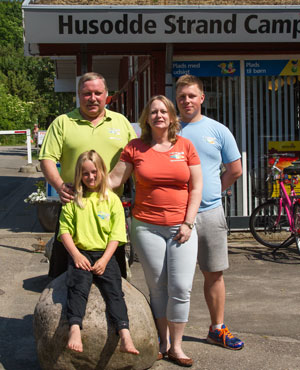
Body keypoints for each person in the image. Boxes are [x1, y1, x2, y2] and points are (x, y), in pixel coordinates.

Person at [109, 95, 202, 367]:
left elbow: (196, 187)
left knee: (181, 288)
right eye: (153, 112)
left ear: (172, 117)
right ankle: (163, 342)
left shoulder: (185, 146)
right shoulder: (135, 147)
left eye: (163, 111)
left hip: (181, 227)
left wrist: (188, 222)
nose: (158, 115)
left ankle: (178, 345)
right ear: (146, 118)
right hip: (146, 227)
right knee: (158, 287)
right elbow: (115, 179)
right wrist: (86, 189)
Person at [39, 72, 137, 279]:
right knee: (63, 272)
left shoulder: (121, 123)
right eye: (87, 93)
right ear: (78, 95)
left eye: (98, 93)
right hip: (73, 206)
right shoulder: (63, 123)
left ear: (106, 95)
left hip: (109, 208)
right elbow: (46, 158)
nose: (92, 98)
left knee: (112, 275)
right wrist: (59, 186)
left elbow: (137, 159)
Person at [175, 74, 244, 350]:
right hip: (176, 216)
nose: (187, 101)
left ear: (202, 98)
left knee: (214, 272)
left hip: (210, 214)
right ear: (176, 101)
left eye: (192, 96)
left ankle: (217, 328)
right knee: (173, 277)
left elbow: (235, 169)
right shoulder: (169, 130)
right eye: (181, 97)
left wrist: (213, 192)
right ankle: (167, 334)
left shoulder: (218, 130)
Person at [59, 149, 139, 355]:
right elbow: (65, 231)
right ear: (79, 175)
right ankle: (75, 328)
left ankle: (124, 333)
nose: (91, 177)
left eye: (94, 172)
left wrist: (105, 259)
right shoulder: (73, 201)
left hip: (105, 254)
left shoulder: (111, 200)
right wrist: (76, 255)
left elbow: (117, 234)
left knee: (115, 291)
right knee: (77, 288)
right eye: (85, 173)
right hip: (81, 252)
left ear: (102, 171)